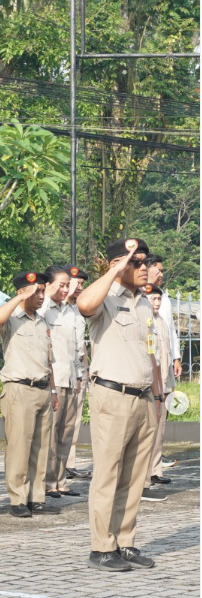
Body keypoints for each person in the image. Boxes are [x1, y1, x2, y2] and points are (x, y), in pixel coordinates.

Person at [77, 237, 159, 571]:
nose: (144, 268)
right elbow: (84, 305)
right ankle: (101, 547)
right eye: (135, 263)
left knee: (134, 477)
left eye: (144, 261)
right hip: (112, 396)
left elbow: (148, 350)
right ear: (118, 266)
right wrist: (113, 273)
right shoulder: (106, 298)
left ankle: (125, 541)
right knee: (108, 474)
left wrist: (156, 394)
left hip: (142, 398)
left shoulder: (142, 303)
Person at [0, 271, 59, 519]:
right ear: (21, 292)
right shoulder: (12, 318)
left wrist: (53, 389)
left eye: (42, 290)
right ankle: (17, 498)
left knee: (41, 448)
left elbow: (48, 360)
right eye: (35, 291)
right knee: (19, 447)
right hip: (19, 388)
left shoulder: (42, 321)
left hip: (41, 388)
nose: (41, 296)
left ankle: (36, 498)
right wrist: (17, 300)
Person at [42, 266, 83, 499]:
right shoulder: (43, 310)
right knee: (51, 433)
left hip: (70, 378)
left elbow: (75, 348)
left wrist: (78, 376)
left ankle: (60, 480)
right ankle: (48, 481)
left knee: (66, 433)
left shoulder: (70, 311)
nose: (66, 289)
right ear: (48, 285)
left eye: (68, 285)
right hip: (53, 380)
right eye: (61, 284)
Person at [144, 255, 182, 471]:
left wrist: (176, 358)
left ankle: (156, 465)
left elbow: (171, 331)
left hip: (165, 365)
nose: (161, 273)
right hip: (149, 370)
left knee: (162, 416)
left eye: (162, 270)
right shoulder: (140, 297)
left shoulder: (164, 298)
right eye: (157, 269)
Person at [141, 284, 175, 493]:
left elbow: (165, 356)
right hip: (149, 383)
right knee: (148, 430)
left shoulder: (161, 322)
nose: (156, 303)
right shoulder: (146, 322)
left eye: (158, 299)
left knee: (160, 428)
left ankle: (156, 469)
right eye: (152, 299)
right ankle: (144, 474)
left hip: (163, 381)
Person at [65, 267, 91, 479]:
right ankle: (56, 469)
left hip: (78, 372)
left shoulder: (78, 310)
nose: (80, 288)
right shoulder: (56, 308)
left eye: (82, 284)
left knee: (74, 421)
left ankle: (69, 464)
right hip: (61, 374)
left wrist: (86, 368)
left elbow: (80, 343)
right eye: (76, 283)